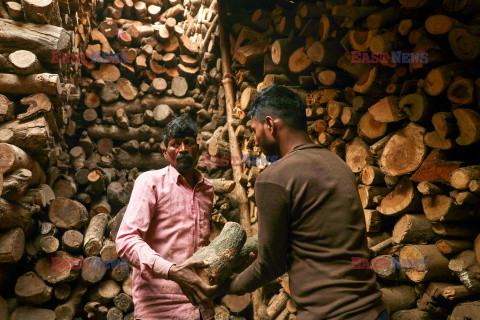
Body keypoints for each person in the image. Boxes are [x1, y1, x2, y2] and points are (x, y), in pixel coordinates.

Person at [226, 85, 390, 320]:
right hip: (374, 311)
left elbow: (271, 264)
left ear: (270, 125)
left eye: (255, 130)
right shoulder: (339, 165)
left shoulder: (273, 178)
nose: (254, 141)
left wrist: (230, 286)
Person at [115, 114, 217, 320]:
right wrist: (172, 271)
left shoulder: (207, 190)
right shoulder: (150, 183)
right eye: (174, 144)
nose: (182, 149)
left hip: (201, 307)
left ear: (198, 148)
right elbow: (126, 240)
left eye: (188, 142)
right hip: (160, 310)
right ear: (164, 151)